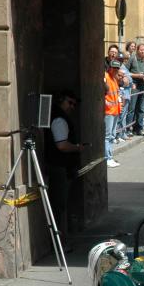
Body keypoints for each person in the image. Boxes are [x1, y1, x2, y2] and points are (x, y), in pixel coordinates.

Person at [44, 90, 84, 252]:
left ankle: (60, 241)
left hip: (59, 166)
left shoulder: (58, 117)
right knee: (59, 206)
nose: (72, 107)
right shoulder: (59, 119)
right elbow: (62, 145)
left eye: (74, 104)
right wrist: (77, 148)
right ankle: (59, 243)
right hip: (59, 167)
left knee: (60, 205)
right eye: (70, 102)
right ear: (61, 101)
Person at [128, 44, 144, 136]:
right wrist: (137, 75)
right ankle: (128, 129)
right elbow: (125, 72)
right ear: (137, 50)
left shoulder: (143, 61)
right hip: (134, 86)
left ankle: (139, 128)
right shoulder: (132, 59)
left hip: (142, 86)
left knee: (141, 109)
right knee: (132, 109)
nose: (142, 52)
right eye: (141, 50)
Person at [104, 61, 122, 168]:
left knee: (111, 136)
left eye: (117, 68)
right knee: (107, 136)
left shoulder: (114, 78)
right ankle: (107, 158)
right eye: (113, 68)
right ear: (109, 68)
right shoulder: (106, 77)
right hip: (108, 111)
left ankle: (109, 157)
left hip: (114, 111)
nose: (115, 70)